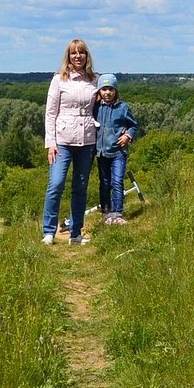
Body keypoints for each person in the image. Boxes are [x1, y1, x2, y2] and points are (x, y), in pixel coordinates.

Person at [42, 38, 98, 245]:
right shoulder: (59, 79)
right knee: (56, 184)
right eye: (74, 53)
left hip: (87, 140)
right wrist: (51, 143)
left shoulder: (94, 79)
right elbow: (50, 113)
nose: (77, 56)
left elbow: (105, 105)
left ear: (86, 56)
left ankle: (75, 233)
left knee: (80, 187)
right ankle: (49, 231)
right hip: (62, 140)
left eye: (81, 53)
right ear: (68, 56)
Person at [93, 73, 138, 225]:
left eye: (111, 89)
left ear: (116, 91)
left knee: (117, 182)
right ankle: (106, 213)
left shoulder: (122, 107)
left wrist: (128, 136)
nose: (107, 93)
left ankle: (118, 213)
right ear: (99, 91)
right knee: (104, 183)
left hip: (118, 151)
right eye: (104, 89)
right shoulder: (96, 107)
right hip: (101, 152)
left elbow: (133, 125)